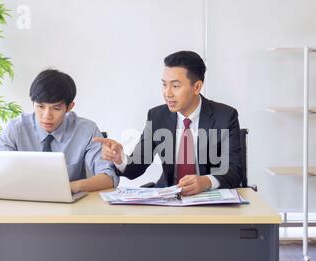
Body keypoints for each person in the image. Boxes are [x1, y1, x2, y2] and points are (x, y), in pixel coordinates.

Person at [95, 51, 242, 196]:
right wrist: (120, 159)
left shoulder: (225, 116)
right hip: (168, 199)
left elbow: (234, 171)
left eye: (176, 86)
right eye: (164, 85)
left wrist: (205, 182)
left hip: (210, 201)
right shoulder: (157, 116)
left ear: (197, 87)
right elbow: (136, 167)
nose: (167, 93)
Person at [0, 69, 118, 192]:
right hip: (22, 202)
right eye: (40, 106)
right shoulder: (15, 129)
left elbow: (108, 178)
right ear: (32, 103)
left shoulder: (86, 130)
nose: (47, 115)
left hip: (70, 204)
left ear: (69, 107)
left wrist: (69, 188)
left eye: (56, 108)